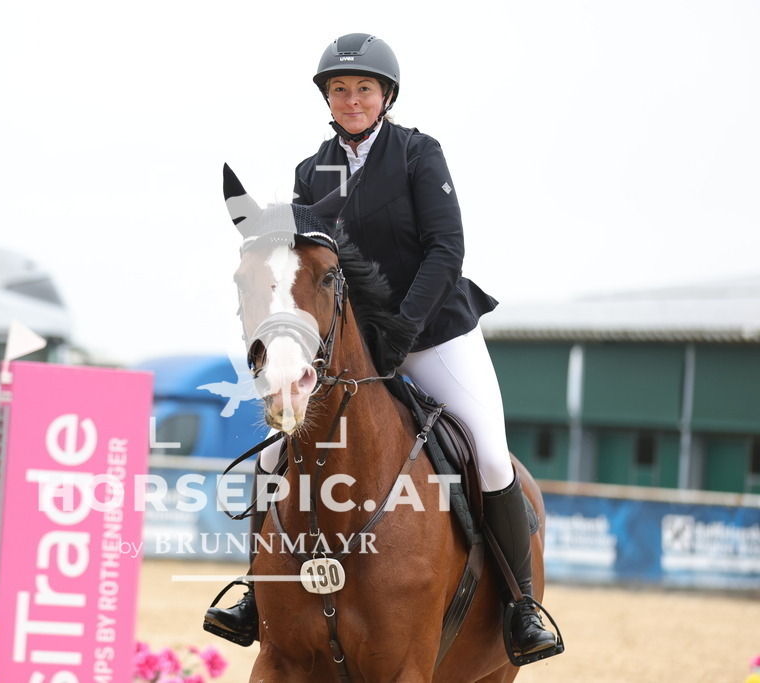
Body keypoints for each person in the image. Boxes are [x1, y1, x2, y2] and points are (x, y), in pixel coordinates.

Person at [204, 33, 560, 661]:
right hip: (353, 346)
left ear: (385, 95)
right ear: (328, 99)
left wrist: (402, 325)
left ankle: (521, 608)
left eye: (363, 88)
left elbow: (446, 249)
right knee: (274, 455)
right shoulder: (312, 172)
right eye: (339, 89)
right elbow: (310, 267)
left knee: (491, 451)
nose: (351, 99)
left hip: (436, 334)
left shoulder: (419, 154)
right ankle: (257, 593)